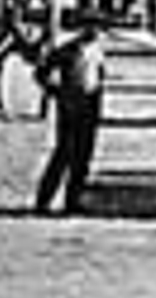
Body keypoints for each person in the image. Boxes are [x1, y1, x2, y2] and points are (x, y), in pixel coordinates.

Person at [35, 12, 107, 215]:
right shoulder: (68, 49)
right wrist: (55, 91)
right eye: (91, 27)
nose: (95, 31)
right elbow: (41, 72)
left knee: (83, 156)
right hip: (70, 105)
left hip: (90, 105)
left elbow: (99, 77)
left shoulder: (98, 51)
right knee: (63, 153)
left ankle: (73, 200)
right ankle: (44, 200)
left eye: (97, 28)